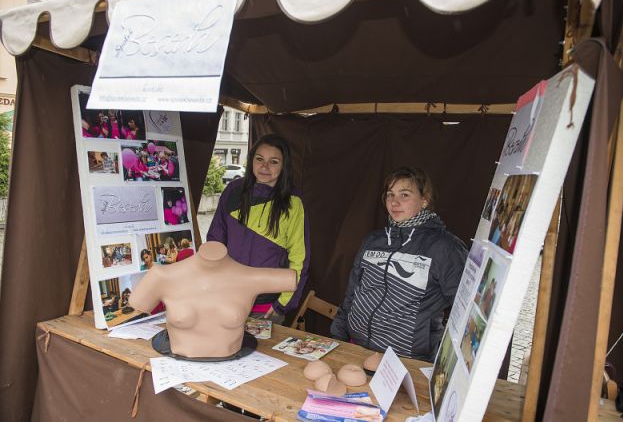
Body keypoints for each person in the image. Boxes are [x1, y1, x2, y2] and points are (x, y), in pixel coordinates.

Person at [330, 166, 467, 362]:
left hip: (407, 359)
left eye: (405, 195)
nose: (394, 202)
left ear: (424, 200)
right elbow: (351, 294)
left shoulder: (445, 247)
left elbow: (464, 309)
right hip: (358, 349)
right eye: (390, 194)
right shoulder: (373, 240)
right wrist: (337, 338)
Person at [206, 134, 310, 324]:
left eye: (274, 161)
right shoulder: (233, 191)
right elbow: (215, 241)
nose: (264, 167)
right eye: (259, 159)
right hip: (227, 299)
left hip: (266, 308)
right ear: (251, 160)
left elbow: (299, 258)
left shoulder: (293, 202)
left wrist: (282, 304)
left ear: (284, 166)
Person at [129, 241, 296, 358]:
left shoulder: (251, 278)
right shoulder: (162, 276)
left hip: (234, 367)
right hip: (178, 365)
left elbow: (291, 278)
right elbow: (138, 303)